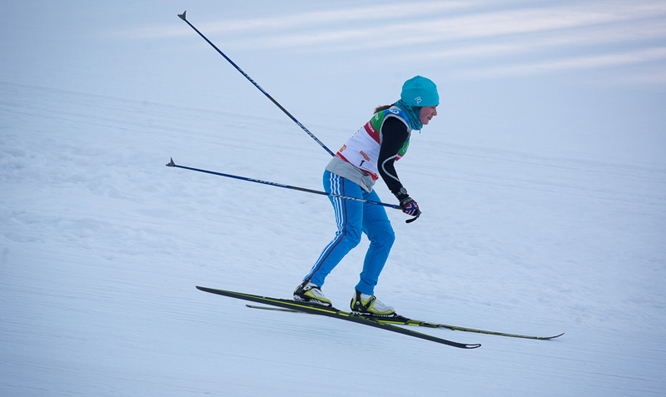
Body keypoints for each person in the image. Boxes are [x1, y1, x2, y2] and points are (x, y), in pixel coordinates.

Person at [294, 76, 439, 318]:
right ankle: (309, 286)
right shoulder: (397, 122)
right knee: (350, 233)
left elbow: (380, 163)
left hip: (361, 181)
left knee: (384, 236)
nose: (434, 112)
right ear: (417, 104)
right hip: (343, 176)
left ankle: (363, 296)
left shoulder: (401, 119)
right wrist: (403, 197)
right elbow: (385, 164)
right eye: (431, 106)